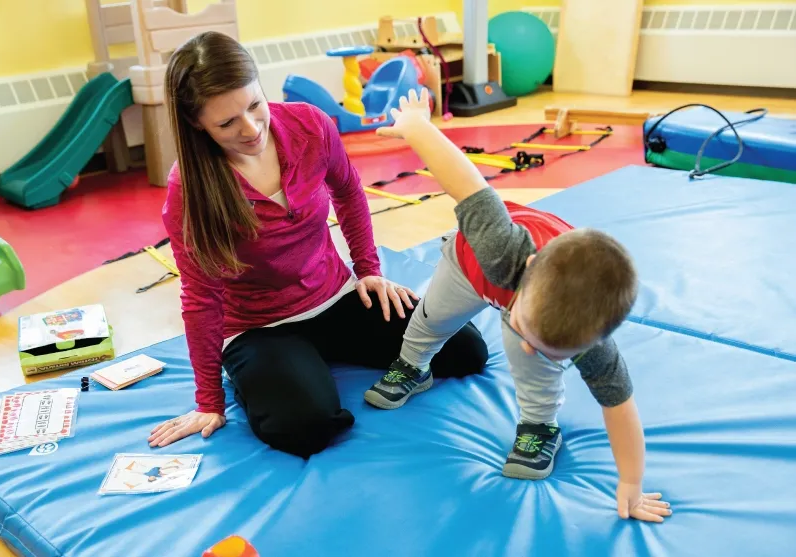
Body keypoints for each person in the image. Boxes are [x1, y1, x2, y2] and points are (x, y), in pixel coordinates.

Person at [146, 32, 488, 459]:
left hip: (335, 296)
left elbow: (349, 192)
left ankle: (311, 359)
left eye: (254, 105)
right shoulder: (188, 190)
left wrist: (368, 271)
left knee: (466, 350)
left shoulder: (309, 124)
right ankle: (269, 372)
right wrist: (209, 402)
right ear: (197, 123)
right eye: (227, 123)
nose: (251, 128)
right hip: (260, 327)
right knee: (305, 426)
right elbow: (200, 297)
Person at [364, 89, 672, 523]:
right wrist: (418, 127)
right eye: (531, 331)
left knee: (532, 363)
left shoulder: (590, 339)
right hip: (468, 266)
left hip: (527, 300)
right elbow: (464, 179)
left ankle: (540, 425)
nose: (529, 345)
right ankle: (414, 366)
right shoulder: (501, 247)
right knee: (431, 318)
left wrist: (631, 486)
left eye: (551, 345)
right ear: (527, 271)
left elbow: (621, 409)